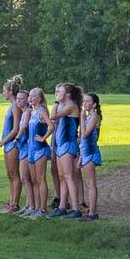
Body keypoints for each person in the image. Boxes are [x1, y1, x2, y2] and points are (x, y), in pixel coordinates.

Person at [49, 83, 84, 219]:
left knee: (69, 177)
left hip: (68, 145)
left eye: (60, 92)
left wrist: (57, 102)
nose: (57, 94)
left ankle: (76, 209)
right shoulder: (63, 105)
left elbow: (53, 116)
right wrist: (58, 102)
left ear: (67, 95)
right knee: (62, 177)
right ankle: (62, 206)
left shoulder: (71, 106)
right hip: (60, 145)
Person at [19, 88, 52, 219]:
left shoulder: (42, 111)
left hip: (40, 150)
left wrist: (43, 138)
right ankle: (36, 208)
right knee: (34, 180)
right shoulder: (32, 112)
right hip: (31, 150)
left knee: (40, 179)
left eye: (33, 96)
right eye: (30, 96)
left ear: (39, 98)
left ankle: (43, 210)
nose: (30, 98)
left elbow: (51, 126)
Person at [0, 75, 24, 213]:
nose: (2, 93)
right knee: (10, 174)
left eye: (4, 90)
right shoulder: (10, 106)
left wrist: (4, 141)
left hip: (12, 144)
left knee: (15, 174)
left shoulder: (16, 107)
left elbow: (15, 129)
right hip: (7, 145)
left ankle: (15, 203)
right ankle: (11, 200)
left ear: (10, 92)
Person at [79, 92, 102, 221]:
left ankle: (93, 213)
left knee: (91, 183)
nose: (84, 104)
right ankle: (91, 212)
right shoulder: (90, 117)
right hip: (86, 152)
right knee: (89, 183)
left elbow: (85, 134)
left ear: (94, 104)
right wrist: (81, 156)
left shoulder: (94, 117)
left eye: (88, 102)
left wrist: (82, 118)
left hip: (91, 152)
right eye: (84, 102)